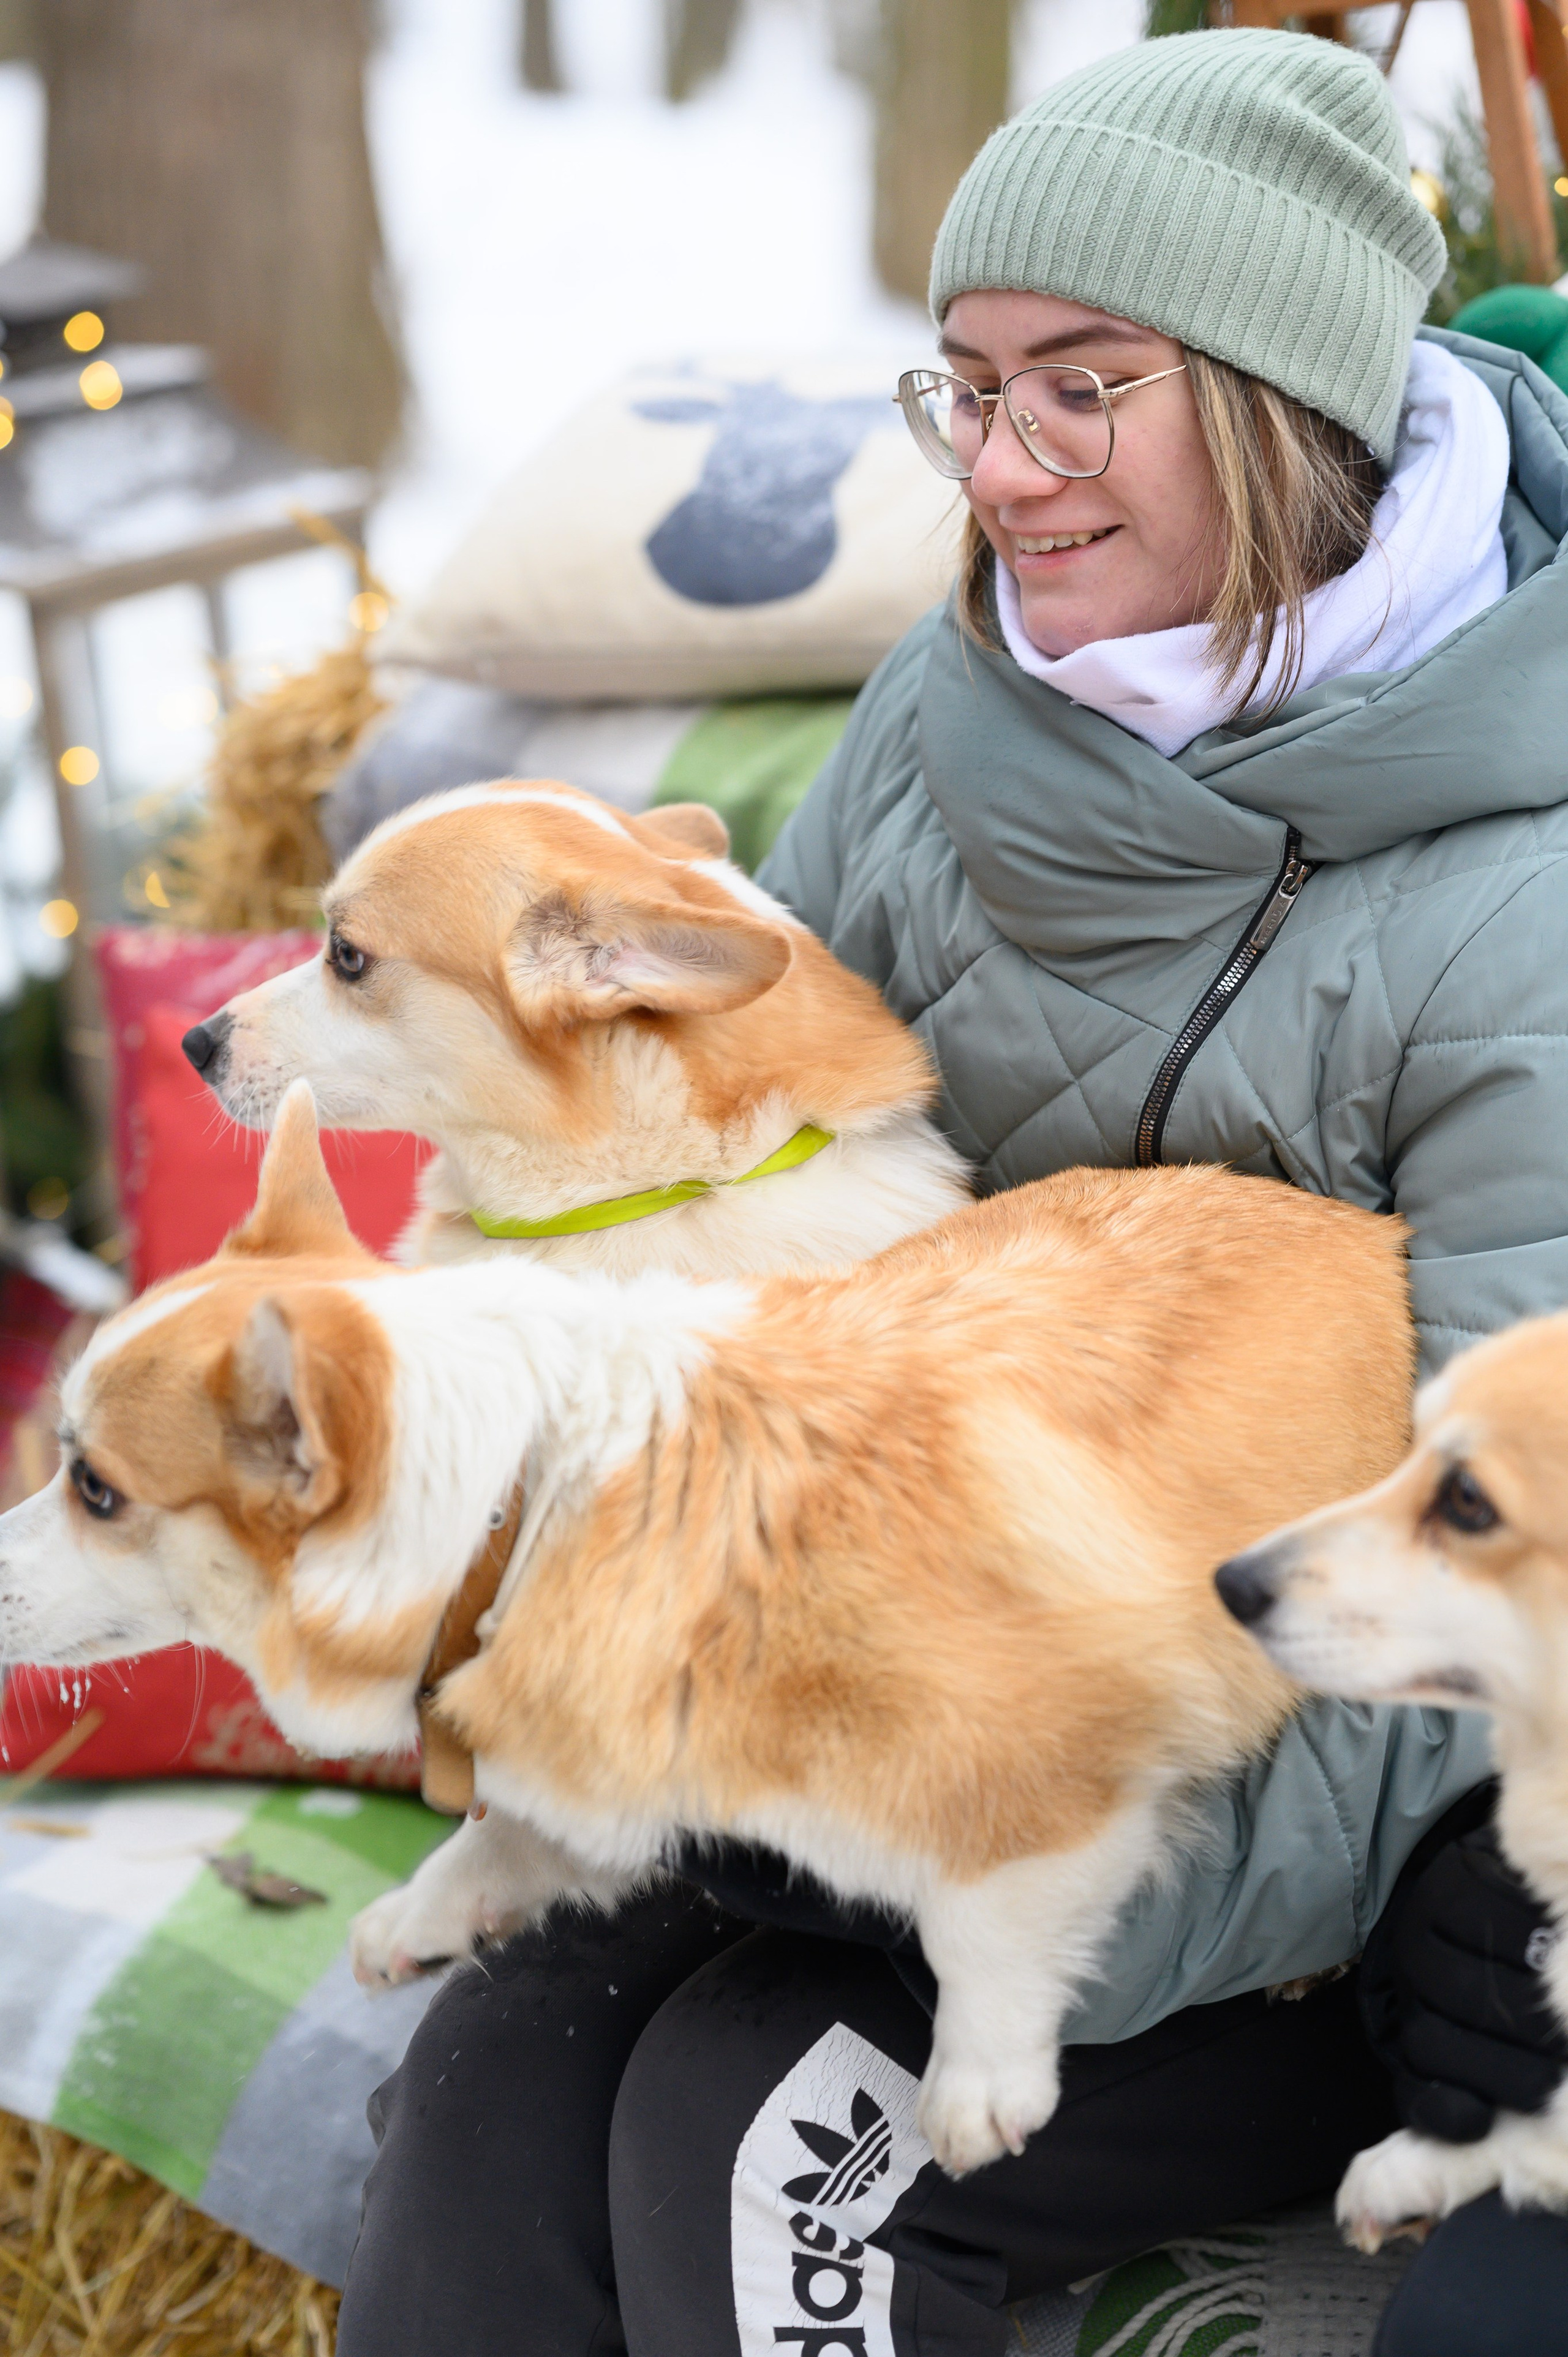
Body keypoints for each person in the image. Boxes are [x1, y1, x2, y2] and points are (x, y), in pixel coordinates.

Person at [335, 29, 1568, 2357]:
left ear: (1281, 401)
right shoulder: (936, 720)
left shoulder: (1527, 904)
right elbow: (740, 1212)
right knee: (493, 2085)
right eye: (967, 390)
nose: (1001, 469)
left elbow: (1500, 1567)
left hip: (1294, 1834)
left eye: (1083, 389)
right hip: (863, 1680)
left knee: (760, 2119)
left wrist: (925, 1815)